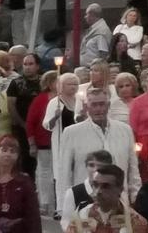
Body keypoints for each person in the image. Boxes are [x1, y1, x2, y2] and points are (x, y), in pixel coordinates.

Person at [53, 86, 139, 221]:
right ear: (87, 107)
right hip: (85, 201)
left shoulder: (125, 130)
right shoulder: (72, 132)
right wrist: (63, 207)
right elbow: (64, 171)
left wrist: (135, 196)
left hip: (119, 201)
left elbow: (133, 167)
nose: (98, 109)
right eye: (94, 105)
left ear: (108, 105)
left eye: (102, 104)